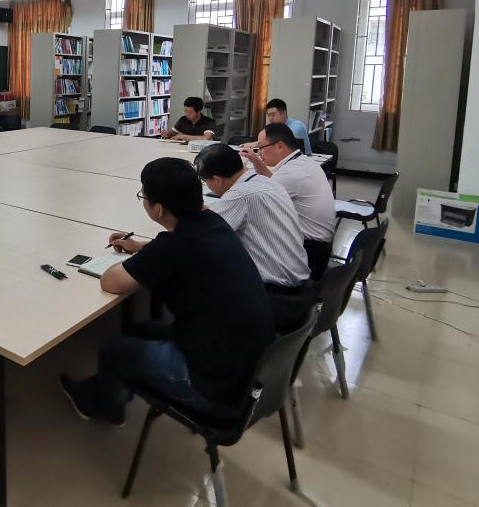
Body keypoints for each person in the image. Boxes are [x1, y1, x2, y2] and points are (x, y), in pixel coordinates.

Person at [59, 158, 275, 426]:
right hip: (251, 366)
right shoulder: (212, 221)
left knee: (112, 350)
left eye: (144, 196)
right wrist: (139, 247)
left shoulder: (174, 246)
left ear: (159, 209)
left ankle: (106, 409)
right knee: (140, 329)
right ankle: (110, 386)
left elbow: (110, 282)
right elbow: (175, 249)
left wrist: (140, 258)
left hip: (215, 389)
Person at [194, 144, 313, 331]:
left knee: (196, 276)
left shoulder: (239, 195)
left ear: (217, 180)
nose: (206, 185)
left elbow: (199, 235)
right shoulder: (267, 182)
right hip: (301, 290)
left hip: (275, 298)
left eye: (204, 180)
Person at [240, 123, 336, 278]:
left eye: (261, 147)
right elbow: (273, 182)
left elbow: (253, 197)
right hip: (319, 246)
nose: (259, 152)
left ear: (279, 146)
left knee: (242, 232)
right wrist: (256, 161)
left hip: (309, 251)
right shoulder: (302, 162)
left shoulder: (290, 174)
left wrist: (239, 173)